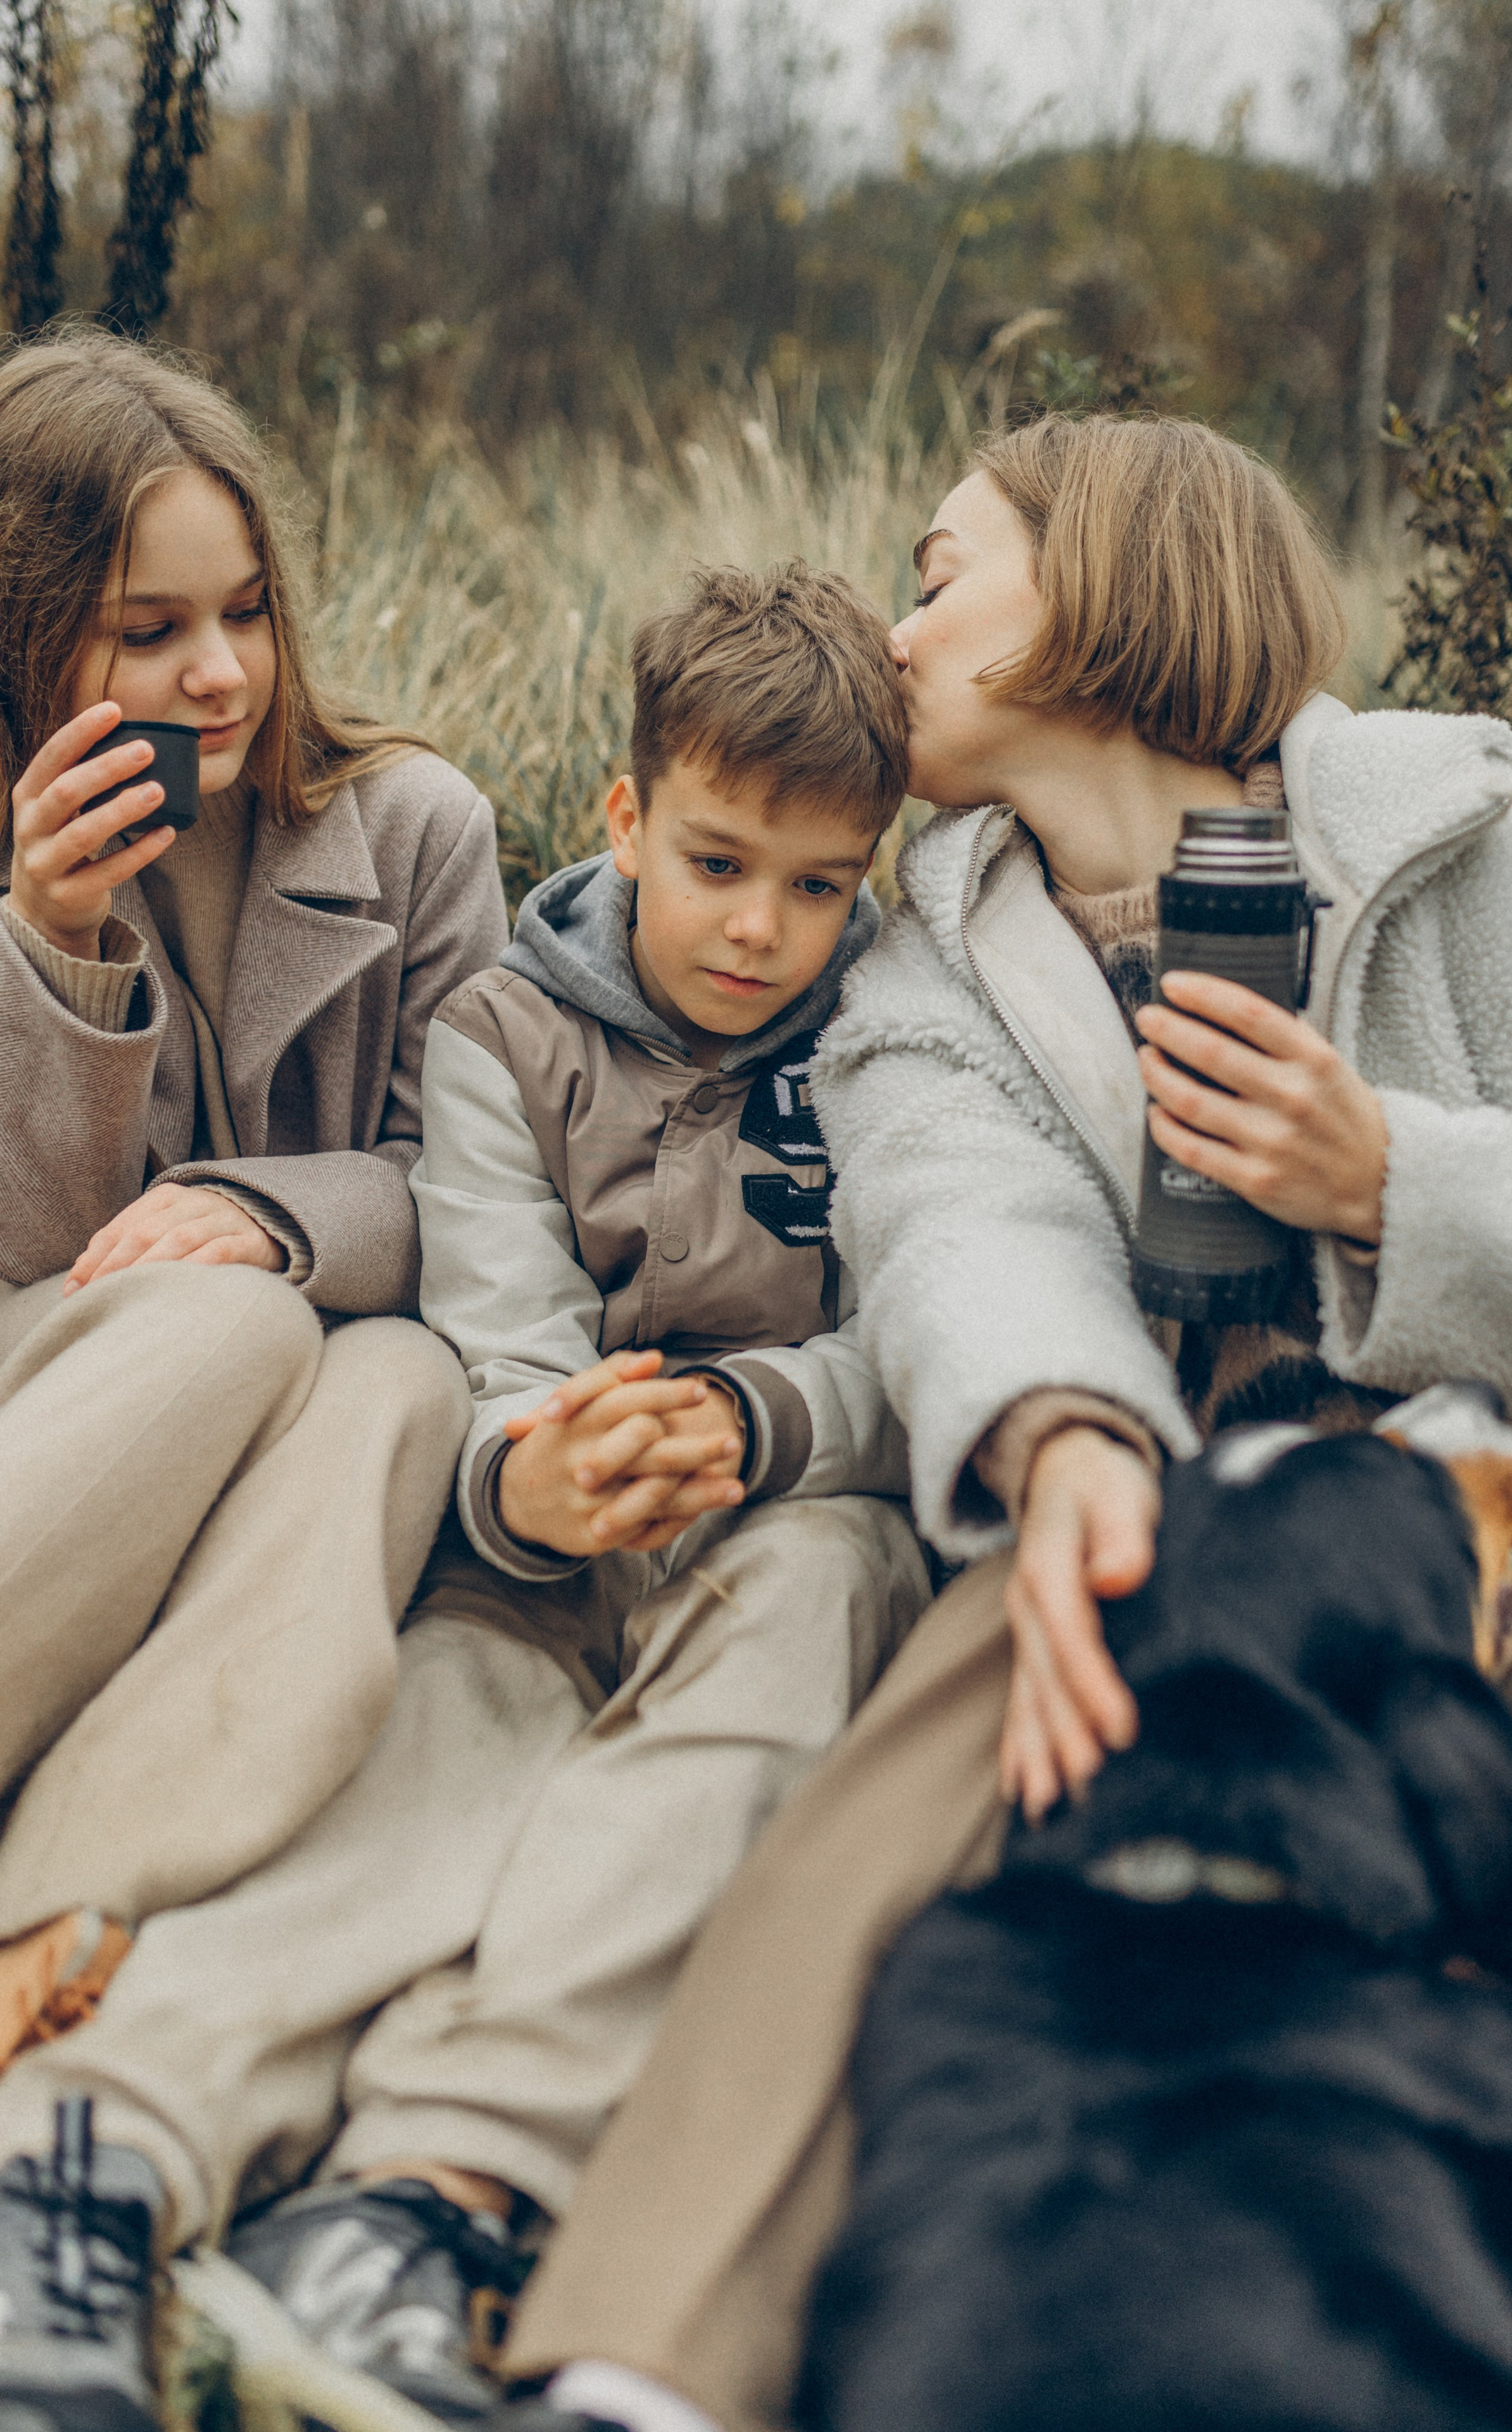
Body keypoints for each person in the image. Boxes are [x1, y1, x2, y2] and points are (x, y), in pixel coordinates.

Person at [498, 411, 1512, 2432]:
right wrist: (1063, 1434)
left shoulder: (1464, 833)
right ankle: (644, 2361)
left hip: (1509, 1527)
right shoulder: (927, 948)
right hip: (1150, 1514)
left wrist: (1395, 1181)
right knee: (976, 1692)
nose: (897, 619)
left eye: (942, 571)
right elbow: (955, 1218)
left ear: (1095, 581)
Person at [0, 561, 930, 2432]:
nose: (762, 930)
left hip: (786, 1520)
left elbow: (920, 1332)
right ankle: (88, 2158)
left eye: (820, 886)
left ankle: (421, 2200)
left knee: (768, 1675)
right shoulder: (507, 1032)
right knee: (431, 1760)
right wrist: (534, 1471)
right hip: (532, 1545)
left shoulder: (889, 1037)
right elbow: (493, 1314)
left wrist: (765, 1422)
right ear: (624, 820)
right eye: (720, 862)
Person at [0, 331, 510, 2044]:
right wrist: (51, 950)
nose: (221, 674)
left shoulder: (418, 831)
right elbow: (34, 1261)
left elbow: (490, 1186)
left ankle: (67, 1900)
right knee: (233, 1335)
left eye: (248, 612)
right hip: (54, 1410)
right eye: (150, 631)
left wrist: (275, 1220)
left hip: (304, 1403)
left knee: (401, 1368)